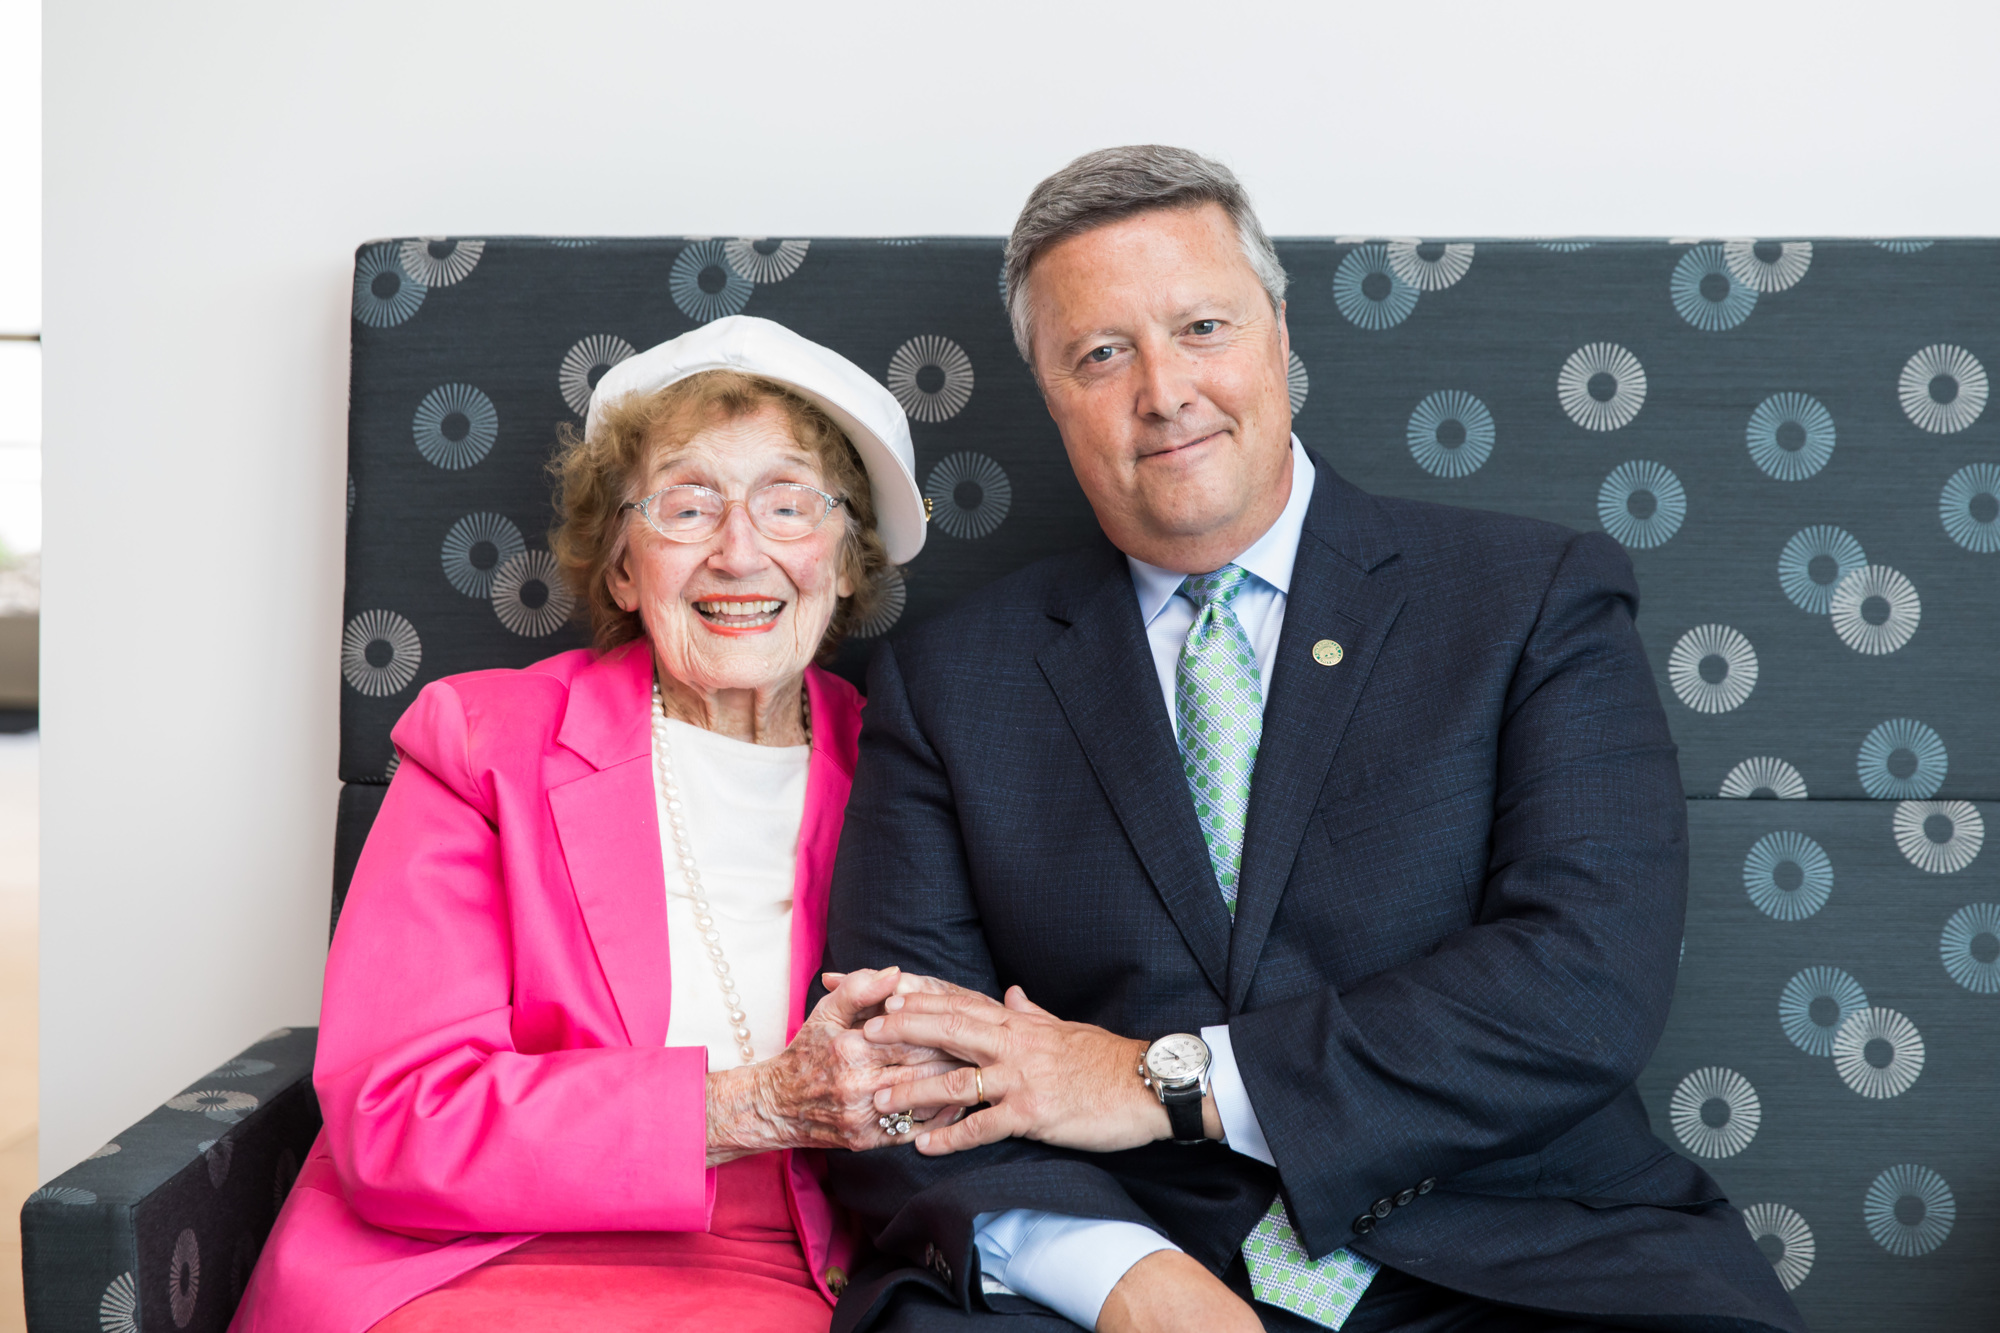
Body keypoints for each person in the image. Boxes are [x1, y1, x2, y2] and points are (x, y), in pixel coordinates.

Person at [824, 147, 1808, 1333]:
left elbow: (1579, 985)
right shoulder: (948, 677)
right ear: (1047, 392)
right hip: (1121, 1267)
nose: (1165, 390)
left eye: (1200, 326)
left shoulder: (1529, 598)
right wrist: (1124, 1280)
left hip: (1516, 1254)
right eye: (1100, 353)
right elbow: (903, 1065)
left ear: (1279, 333)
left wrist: (1158, 1080)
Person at [234, 316, 952, 1333]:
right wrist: (754, 1104)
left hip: (782, 1273)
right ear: (622, 568)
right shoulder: (479, 743)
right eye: (685, 505)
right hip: (460, 1263)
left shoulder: (917, 766)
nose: (737, 550)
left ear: (844, 562)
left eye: (787, 504)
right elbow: (399, 1117)